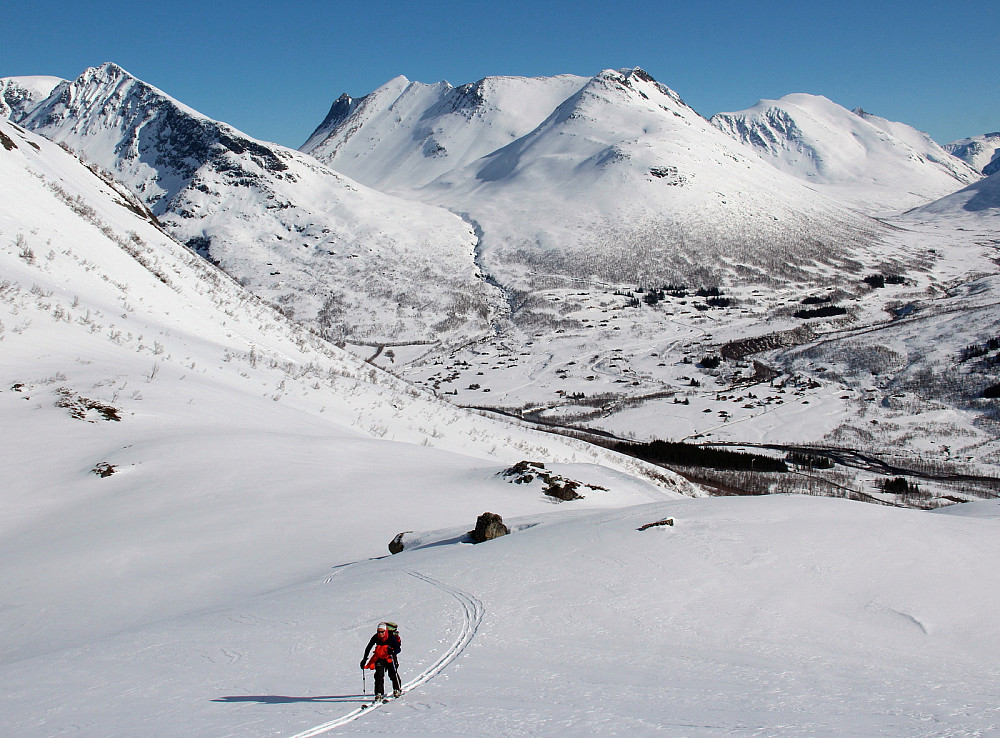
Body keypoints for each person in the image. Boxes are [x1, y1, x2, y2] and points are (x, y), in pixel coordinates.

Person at [360, 622, 401, 699]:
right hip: (379, 657)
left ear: (385, 631)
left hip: (390, 657)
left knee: (393, 674)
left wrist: (392, 651)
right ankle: (379, 693)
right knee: (379, 675)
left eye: (382, 632)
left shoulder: (391, 637)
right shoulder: (376, 637)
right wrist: (364, 659)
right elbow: (368, 647)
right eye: (378, 631)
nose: (380, 633)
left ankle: (397, 689)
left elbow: (398, 648)